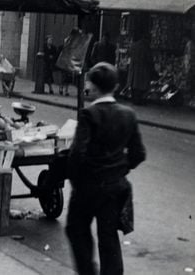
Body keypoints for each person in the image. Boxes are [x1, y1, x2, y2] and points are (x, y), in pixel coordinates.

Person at [66, 62, 146, 275]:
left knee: (76, 229)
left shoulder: (89, 114)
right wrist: (119, 168)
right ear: (115, 87)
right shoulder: (129, 115)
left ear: (94, 86)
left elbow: (77, 154)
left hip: (88, 188)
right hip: (115, 188)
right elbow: (139, 154)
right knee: (108, 236)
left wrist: (76, 180)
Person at [126, 32, 155, 105]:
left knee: (134, 85)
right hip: (142, 68)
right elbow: (149, 59)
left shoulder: (134, 45)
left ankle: (134, 100)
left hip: (133, 67)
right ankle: (139, 100)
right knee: (141, 85)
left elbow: (128, 53)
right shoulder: (146, 46)